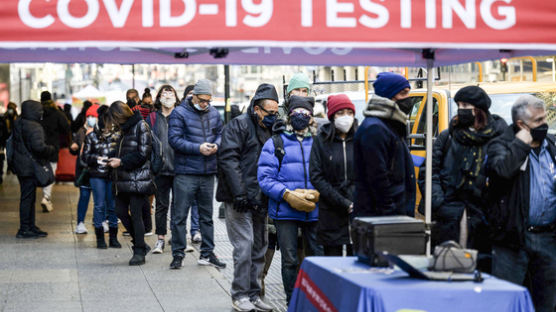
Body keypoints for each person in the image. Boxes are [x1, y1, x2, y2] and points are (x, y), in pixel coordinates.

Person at [423, 86, 506, 270]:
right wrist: (439, 202)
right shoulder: (448, 136)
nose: (461, 109)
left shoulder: (497, 138)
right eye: (459, 104)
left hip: (484, 219)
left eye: (466, 104)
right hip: (451, 216)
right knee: (448, 268)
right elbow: (429, 171)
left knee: (482, 271)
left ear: (479, 109)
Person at [486, 95, 556, 312]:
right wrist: (520, 145)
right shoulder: (502, 145)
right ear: (521, 124)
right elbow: (502, 173)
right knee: (507, 302)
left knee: (546, 302)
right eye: (538, 121)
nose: (544, 124)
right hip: (513, 237)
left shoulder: (552, 145)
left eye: (545, 118)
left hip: (547, 237)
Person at [217, 83, 279, 312]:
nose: (273, 116)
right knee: (244, 247)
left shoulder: (270, 129)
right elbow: (229, 160)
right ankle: (240, 295)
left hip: (260, 198)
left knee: (259, 248)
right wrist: (240, 193)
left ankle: (254, 294)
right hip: (239, 199)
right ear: (256, 108)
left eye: (276, 112)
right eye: (269, 112)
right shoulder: (239, 125)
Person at [258, 95, 321, 304]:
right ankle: (291, 301)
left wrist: (318, 192)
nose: (300, 116)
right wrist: (286, 194)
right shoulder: (276, 142)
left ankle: (314, 300)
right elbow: (265, 178)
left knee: (316, 259)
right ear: (289, 115)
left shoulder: (319, 142)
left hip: (315, 210)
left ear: (311, 116)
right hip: (285, 211)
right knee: (290, 259)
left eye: (305, 113)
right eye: (296, 112)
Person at [168, 79, 226, 269]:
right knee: (179, 216)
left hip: (208, 171)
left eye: (208, 101)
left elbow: (220, 133)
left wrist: (216, 144)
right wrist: (198, 148)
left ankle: (207, 253)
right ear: (193, 96)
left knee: (207, 216)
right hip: (185, 172)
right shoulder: (179, 113)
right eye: (202, 100)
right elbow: (174, 140)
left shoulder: (214, 113)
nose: (205, 104)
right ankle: (178, 254)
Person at [353, 72, 416, 217]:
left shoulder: (389, 125)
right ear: (390, 96)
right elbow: (377, 176)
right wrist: (390, 210)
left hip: (391, 212)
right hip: (381, 216)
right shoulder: (375, 129)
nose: (408, 99)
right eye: (403, 93)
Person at [106, 101, 154, 265]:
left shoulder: (141, 126)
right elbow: (123, 150)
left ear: (119, 115)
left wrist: (121, 162)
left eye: (114, 118)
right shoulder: (124, 130)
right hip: (123, 180)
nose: (113, 122)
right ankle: (140, 243)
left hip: (137, 179)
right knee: (119, 211)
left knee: (136, 215)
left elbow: (143, 153)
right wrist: (110, 157)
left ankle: (139, 251)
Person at [310, 94, 357, 256]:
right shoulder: (321, 141)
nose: (346, 117)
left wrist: (356, 200)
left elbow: (368, 172)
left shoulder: (360, 138)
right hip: (331, 210)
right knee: (333, 261)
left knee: (357, 262)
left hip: (357, 210)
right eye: (340, 113)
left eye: (349, 113)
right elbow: (316, 176)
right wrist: (343, 202)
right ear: (332, 116)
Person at [11, 100, 56, 238]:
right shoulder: (34, 126)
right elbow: (38, 148)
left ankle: (30, 226)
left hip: (20, 165)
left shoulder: (19, 123)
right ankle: (25, 228)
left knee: (28, 197)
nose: (41, 112)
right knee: (27, 198)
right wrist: (50, 149)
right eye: (39, 110)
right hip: (30, 167)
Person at [81, 104, 121, 249]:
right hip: (96, 174)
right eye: (104, 129)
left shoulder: (117, 137)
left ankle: (113, 238)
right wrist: (97, 159)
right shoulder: (91, 136)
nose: (106, 131)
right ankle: (100, 238)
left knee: (113, 206)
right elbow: (84, 157)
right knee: (99, 205)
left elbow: (122, 154)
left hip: (112, 174)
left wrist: (115, 161)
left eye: (108, 129)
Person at [147, 85, 180, 254]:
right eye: (164, 93)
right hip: (159, 169)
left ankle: (177, 236)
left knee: (178, 205)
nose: (167, 95)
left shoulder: (181, 116)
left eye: (171, 92)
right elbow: (147, 142)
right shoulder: (152, 118)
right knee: (161, 205)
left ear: (176, 96)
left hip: (180, 167)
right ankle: (160, 238)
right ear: (159, 97)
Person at [39, 91, 70, 213]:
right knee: (51, 172)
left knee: (41, 172)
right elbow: (66, 127)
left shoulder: (38, 113)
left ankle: (47, 197)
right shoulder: (57, 113)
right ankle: (46, 197)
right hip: (52, 147)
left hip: (39, 147)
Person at [70, 104, 97, 234]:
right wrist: (73, 147)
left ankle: (98, 220)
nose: (91, 118)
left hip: (99, 171)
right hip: (85, 170)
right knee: (84, 196)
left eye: (94, 116)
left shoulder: (102, 132)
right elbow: (74, 148)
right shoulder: (81, 132)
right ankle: (80, 222)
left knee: (99, 199)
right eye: (89, 116)